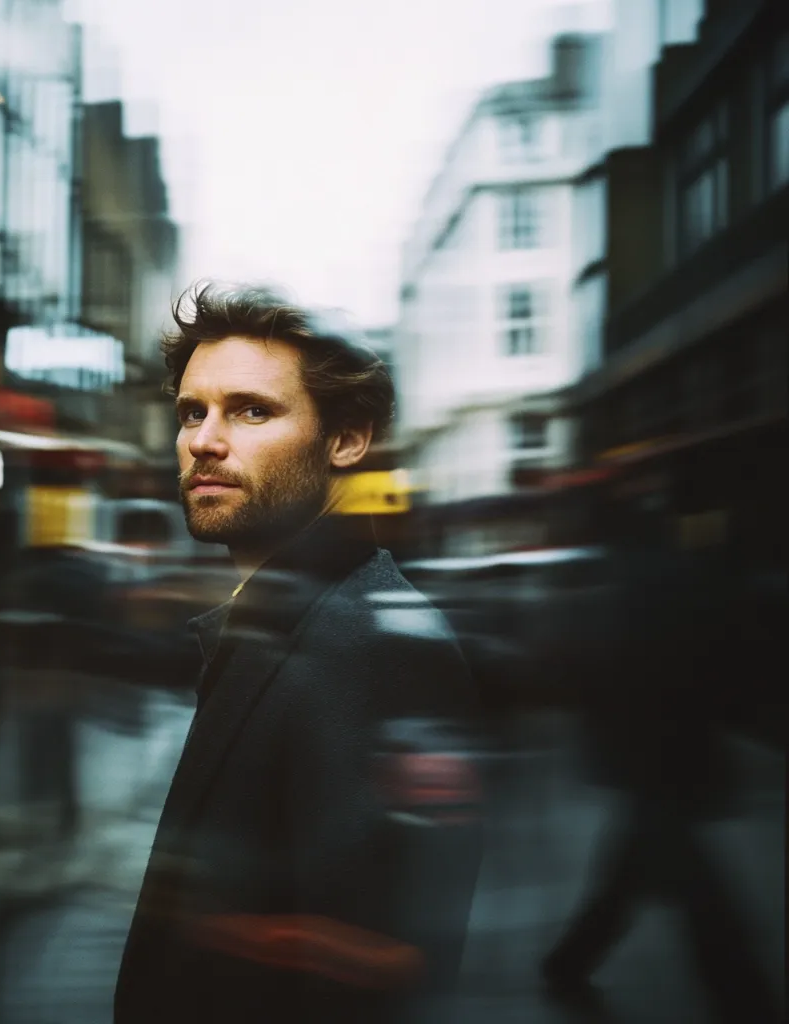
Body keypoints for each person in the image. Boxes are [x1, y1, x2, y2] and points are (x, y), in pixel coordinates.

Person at [114, 284, 483, 1024]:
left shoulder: (371, 646)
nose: (204, 441)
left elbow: (364, 969)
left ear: (346, 439)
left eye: (253, 410)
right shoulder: (279, 620)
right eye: (193, 411)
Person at [541, 492, 783, 1024]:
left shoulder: (629, 585)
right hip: (671, 756)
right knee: (698, 890)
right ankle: (743, 996)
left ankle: (570, 961)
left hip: (650, 756)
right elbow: (714, 667)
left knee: (637, 868)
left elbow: (608, 671)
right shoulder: (674, 579)